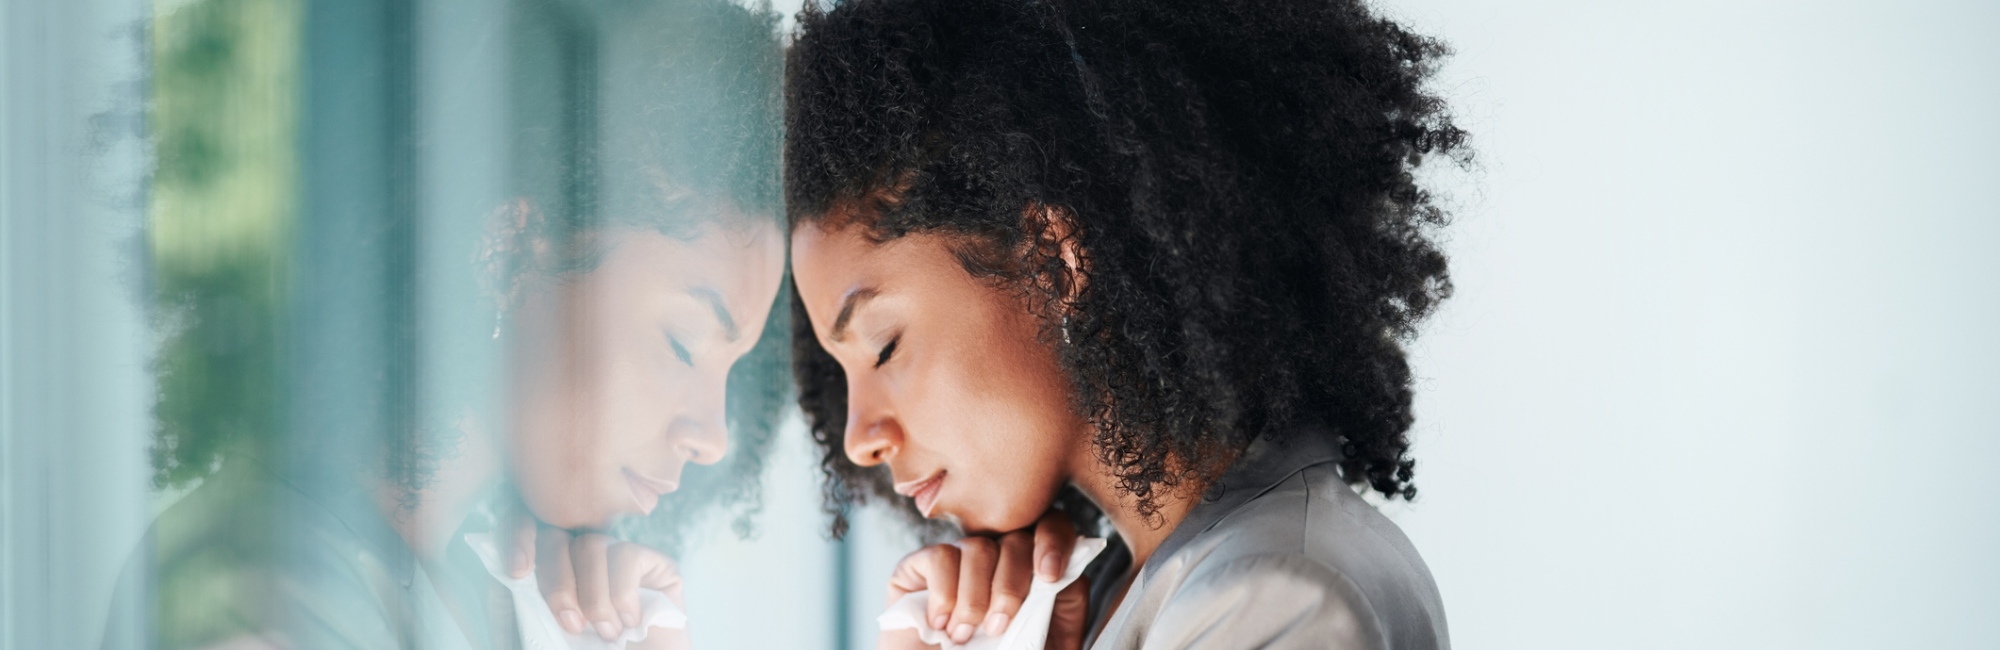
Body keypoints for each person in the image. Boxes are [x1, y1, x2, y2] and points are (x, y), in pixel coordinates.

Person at [785, 0, 1468, 648]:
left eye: (884, 346)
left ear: (1053, 263)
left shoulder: (1279, 596)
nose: (860, 439)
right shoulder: (1120, 588)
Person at [110, 1, 788, 647]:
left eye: (732, 371)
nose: (713, 436)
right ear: (510, 253)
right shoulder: (253, 588)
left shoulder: (486, 590)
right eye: (683, 344)